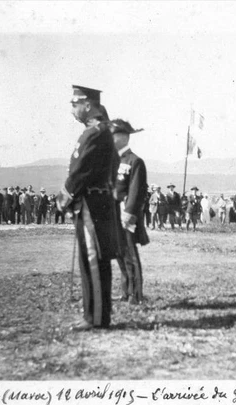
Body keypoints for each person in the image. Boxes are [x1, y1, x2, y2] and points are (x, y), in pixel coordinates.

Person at [56, 85, 122, 330]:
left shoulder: (94, 133)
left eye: (75, 105)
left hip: (91, 204)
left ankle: (95, 318)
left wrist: (63, 198)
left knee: (93, 259)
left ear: (87, 104)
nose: (73, 110)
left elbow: (79, 170)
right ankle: (95, 315)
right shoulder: (101, 131)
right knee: (95, 259)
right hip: (98, 202)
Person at [110, 119, 149, 305]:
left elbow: (136, 191)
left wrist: (129, 213)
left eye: (113, 135)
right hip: (112, 213)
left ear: (123, 137)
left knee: (130, 254)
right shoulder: (111, 161)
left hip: (126, 214)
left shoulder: (135, 161)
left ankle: (137, 295)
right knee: (119, 253)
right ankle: (126, 292)